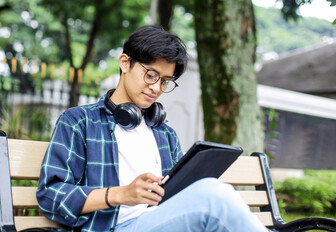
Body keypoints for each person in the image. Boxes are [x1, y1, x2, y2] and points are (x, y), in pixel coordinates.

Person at [37, 25, 268, 232]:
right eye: (151, 75)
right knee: (214, 195)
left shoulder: (165, 134)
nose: (156, 88)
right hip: (110, 227)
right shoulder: (79, 122)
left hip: (162, 222)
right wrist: (121, 194)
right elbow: (51, 195)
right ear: (125, 63)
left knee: (212, 194)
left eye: (165, 81)